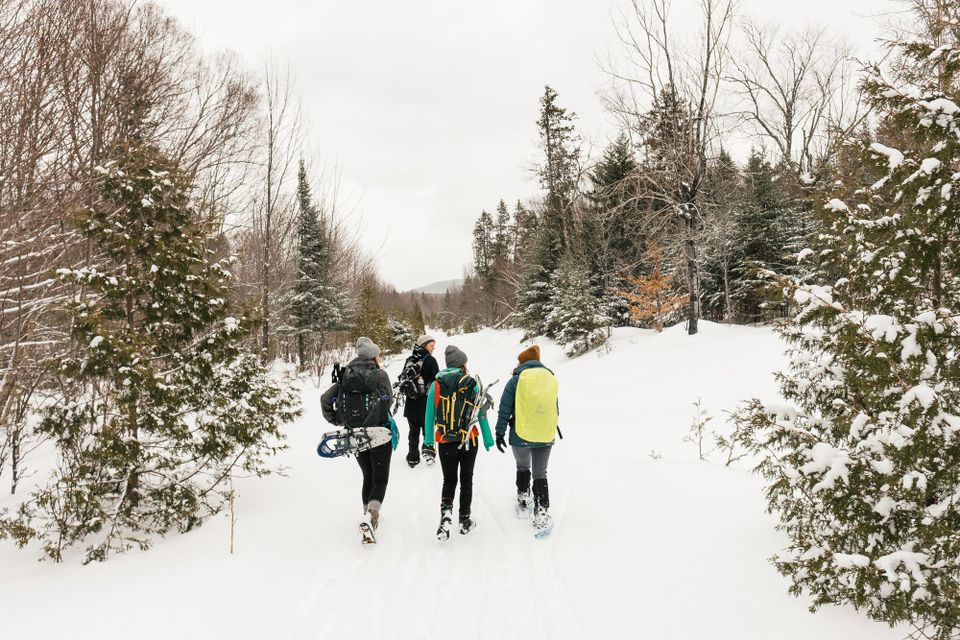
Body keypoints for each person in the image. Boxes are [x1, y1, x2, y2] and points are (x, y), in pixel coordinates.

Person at [320, 336, 398, 545]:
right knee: (380, 479)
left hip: (355, 435)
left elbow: (325, 399)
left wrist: (338, 420)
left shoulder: (346, 375)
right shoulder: (380, 375)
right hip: (379, 433)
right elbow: (388, 401)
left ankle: (366, 514)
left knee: (368, 476)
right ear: (374, 355)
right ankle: (371, 517)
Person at [424, 345, 494, 539]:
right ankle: (464, 520)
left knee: (449, 480)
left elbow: (429, 415)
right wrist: (488, 439)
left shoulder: (436, 385)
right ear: (462, 364)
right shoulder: (471, 383)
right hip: (468, 439)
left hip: (445, 440)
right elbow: (481, 413)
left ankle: (446, 515)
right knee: (466, 480)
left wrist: (429, 440)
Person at [494, 344, 559, 537]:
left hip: (520, 434)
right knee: (541, 473)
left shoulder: (515, 380)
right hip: (545, 435)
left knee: (523, 467)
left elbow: (504, 408)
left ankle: (523, 499)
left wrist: (499, 432)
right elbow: (555, 407)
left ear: (522, 362)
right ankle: (541, 512)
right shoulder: (550, 378)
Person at [402, 335, 440, 468]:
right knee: (427, 430)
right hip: (426, 404)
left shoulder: (409, 359)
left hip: (411, 404)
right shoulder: (431, 360)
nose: (433, 348)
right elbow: (437, 383)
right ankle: (429, 453)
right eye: (431, 345)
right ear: (424, 345)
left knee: (413, 431)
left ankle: (412, 457)